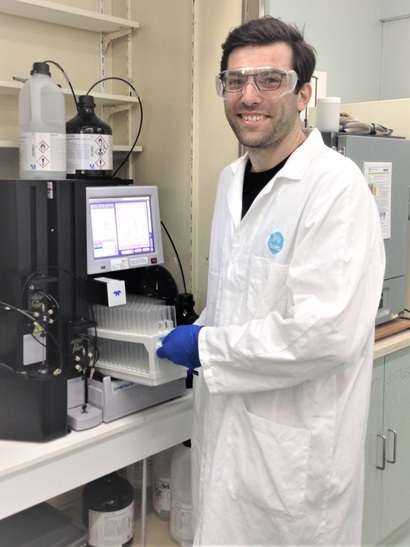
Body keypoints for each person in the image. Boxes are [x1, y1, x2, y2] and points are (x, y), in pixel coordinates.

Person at [157, 16, 385, 546]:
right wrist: (202, 328)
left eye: (269, 80)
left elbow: (323, 334)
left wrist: (208, 347)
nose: (248, 96)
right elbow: (239, 295)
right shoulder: (230, 179)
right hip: (227, 439)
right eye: (234, 81)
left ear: (304, 93)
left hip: (294, 465)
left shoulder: (336, 187)